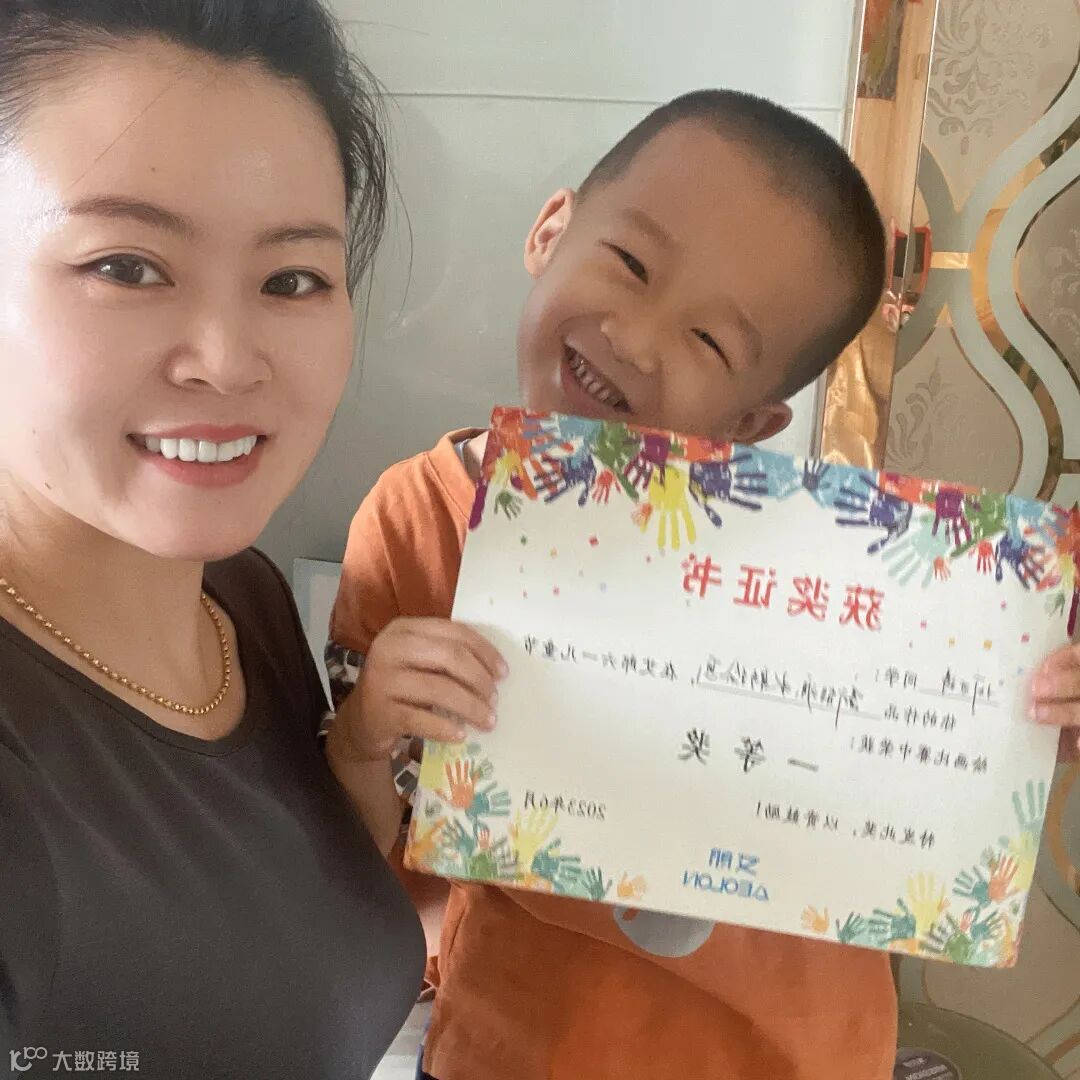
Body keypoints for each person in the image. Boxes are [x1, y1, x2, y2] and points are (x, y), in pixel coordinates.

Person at [327, 89, 1080, 1080]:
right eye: (631, 264)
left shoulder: (863, 579)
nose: (638, 339)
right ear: (551, 231)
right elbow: (360, 864)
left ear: (751, 425)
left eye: (712, 342)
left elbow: (940, 807)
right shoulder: (416, 518)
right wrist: (364, 736)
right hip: (514, 1051)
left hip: (801, 1059)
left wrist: (1027, 728)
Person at [0, 2, 424, 1076]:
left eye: (292, 280)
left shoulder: (242, 595)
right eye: (126, 267)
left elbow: (291, 917)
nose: (227, 360)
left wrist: (361, 751)